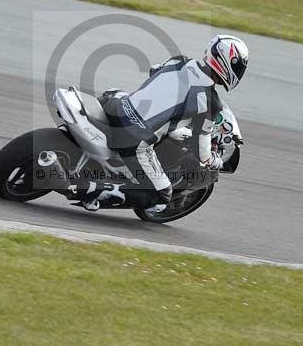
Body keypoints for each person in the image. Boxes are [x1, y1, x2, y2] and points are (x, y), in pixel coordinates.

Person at [81, 34, 249, 213]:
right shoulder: (209, 101)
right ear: (228, 63)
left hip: (117, 107)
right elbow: (201, 149)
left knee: (116, 91)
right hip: (133, 137)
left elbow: (154, 71)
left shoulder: (180, 60)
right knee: (160, 196)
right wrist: (213, 160)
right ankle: (95, 189)